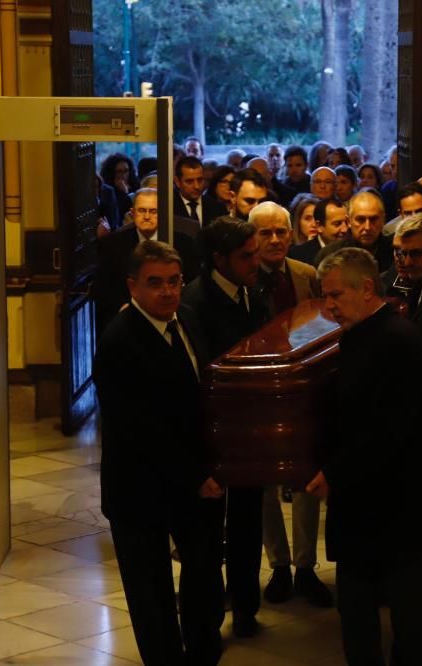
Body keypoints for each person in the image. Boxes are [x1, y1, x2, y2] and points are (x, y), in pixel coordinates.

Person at [93, 240, 225, 666]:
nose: (168, 292)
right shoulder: (120, 340)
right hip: (141, 486)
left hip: (195, 478)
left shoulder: (185, 318)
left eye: (174, 281)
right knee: (151, 593)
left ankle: (203, 652)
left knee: (204, 576)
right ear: (133, 286)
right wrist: (192, 475)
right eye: (155, 284)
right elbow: (138, 430)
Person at [311, 247, 422, 665]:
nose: (328, 306)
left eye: (335, 296)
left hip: (392, 503)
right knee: (357, 605)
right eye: (324, 296)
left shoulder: (396, 341)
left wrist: (335, 473)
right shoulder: (362, 333)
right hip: (367, 499)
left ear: (367, 288)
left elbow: (389, 429)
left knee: (401, 608)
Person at [182, 218, 271, 639]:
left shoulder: (252, 292)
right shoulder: (194, 303)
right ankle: (207, 616)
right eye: (246, 256)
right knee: (206, 529)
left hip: (248, 429)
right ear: (219, 259)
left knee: (248, 522)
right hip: (214, 432)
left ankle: (246, 605)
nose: (256, 262)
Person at [246, 202, 332, 608]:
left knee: (304, 480)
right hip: (258, 397)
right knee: (264, 483)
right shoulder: (243, 280)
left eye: (281, 231)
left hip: (302, 392)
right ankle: (278, 565)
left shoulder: (306, 275)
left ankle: (304, 567)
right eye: (266, 233)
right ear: (253, 239)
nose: (276, 239)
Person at [92, 188, 200, 335]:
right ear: (133, 213)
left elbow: (193, 284)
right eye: (142, 210)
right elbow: (102, 287)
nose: (147, 216)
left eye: (153, 211)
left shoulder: (184, 243)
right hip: (127, 322)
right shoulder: (113, 244)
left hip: (172, 317)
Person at [289, 198, 349, 266]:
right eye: (337, 224)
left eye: (347, 222)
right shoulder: (297, 255)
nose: (345, 229)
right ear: (319, 226)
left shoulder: (356, 248)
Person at [174, 156, 223, 227]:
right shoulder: (169, 208)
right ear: (177, 182)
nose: (196, 186)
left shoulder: (217, 208)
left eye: (200, 180)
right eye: (189, 181)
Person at [101, 152, 137, 220]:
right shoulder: (106, 192)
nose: (123, 176)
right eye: (119, 171)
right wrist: (124, 194)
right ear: (112, 173)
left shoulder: (135, 186)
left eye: (126, 171)